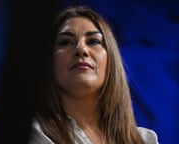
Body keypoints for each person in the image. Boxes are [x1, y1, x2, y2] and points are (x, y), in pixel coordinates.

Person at [28, 5, 159, 144]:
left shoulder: (145, 139)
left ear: (111, 59)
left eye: (93, 41)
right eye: (65, 42)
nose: (81, 49)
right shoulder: (33, 134)